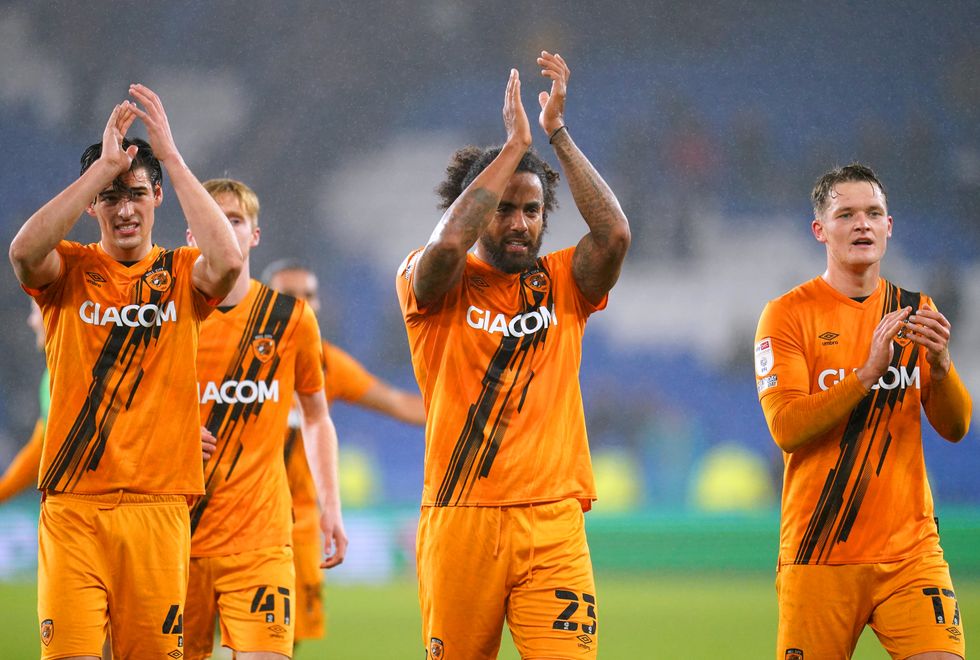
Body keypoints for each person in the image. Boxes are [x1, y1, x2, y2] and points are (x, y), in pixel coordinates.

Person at [395, 52, 630, 659]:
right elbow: (447, 243)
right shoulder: (433, 281)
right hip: (461, 515)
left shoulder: (563, 282)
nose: (521, 222)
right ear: (478, 210)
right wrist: (512, 148)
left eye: (532, 210)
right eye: (506, 208)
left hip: (553, 522)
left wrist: (555, 134)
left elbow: (614, 237)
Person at [8, 85, 244, 660]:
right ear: (93, 206)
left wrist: (172, 155)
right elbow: (21, 252)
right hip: (74, 508)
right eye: (110, 197)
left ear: (158, 196)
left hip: (158, 508)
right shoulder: (68, 269)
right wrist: (104, 169)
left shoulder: (184, 275)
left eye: (136, 192)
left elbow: (230, 263)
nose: (124, 209)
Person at [754, 163, 972, 659]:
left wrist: (940, 367)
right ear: (820, 230)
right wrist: (863, 376)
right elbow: (786, 428)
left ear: (889, 227)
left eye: (874, 213)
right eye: (846, 214)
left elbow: (956, 427)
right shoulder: (788, 315)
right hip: (819, 555)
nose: (862, 224)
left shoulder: (915, 311)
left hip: (910, 554)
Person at [183, 179, 347, 660]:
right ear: (193, 234)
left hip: (261, 543)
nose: (223, 229)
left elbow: (316, 417)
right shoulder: (170, 316)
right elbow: (123, 412)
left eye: (234, 220)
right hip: (173, 540)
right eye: (211, 219)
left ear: (254, 235)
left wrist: (330, 507)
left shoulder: (290, 319)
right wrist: (171, 434)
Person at [262, 259, 424, 646]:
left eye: (309, 296)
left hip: (298, 524)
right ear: (263, 302)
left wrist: (470, 414)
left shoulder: (326, 363)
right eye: (289, 297)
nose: (302, 305)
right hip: (231, 514)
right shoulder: (234, 354)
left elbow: (397, 402)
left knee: (284, 641)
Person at [0, 301, 48, 504]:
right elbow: (39, 448)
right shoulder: (49, 379)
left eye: (34, 312)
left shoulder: (76, 375)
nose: (31, 321)